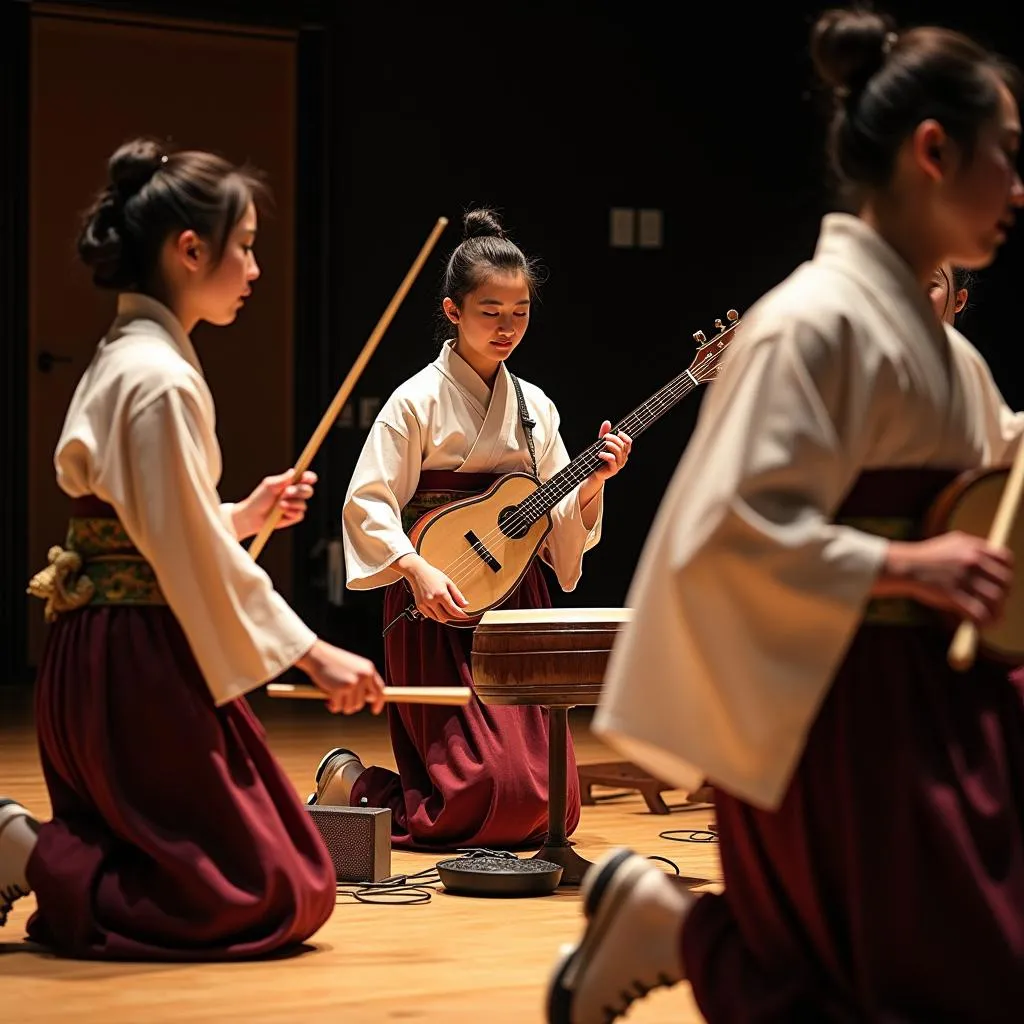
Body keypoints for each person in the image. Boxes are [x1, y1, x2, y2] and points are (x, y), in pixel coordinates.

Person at [546, 7, 1024, 1022]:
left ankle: (673, 924)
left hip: (935, 704)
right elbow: (729, 525)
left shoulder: (954, 358)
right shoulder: (805, 324)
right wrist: (901, 567)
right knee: (890, 975)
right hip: (831, 708)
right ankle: (680, 927)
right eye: (1006, 157)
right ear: (933, 151)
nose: (1018, 191)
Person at [0, 138, 387, 959]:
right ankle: (27, 854)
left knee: (286, 876)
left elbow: (154, 524)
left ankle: (39, 854)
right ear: (188, 250)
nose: (252, 269)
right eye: (243, 246)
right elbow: (186, 556)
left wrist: (240, 515)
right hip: (135, 660)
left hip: (108, 647)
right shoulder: (158, 377)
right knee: (265, 892)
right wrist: (316, 654)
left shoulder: (129, 356)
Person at [308, 208, 632, 851]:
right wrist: (415, 569)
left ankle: (365, 787)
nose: (508, 326)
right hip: (438, 595)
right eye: (491, 310)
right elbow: (368, 500)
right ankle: (354, 785)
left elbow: (555, 518)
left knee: (551, 805)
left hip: (516, 600)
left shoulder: (536, 407)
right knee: (480, 795)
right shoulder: (415, 401)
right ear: (454, 311)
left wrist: (591, 485)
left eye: (520, 311)